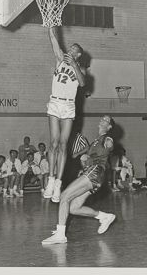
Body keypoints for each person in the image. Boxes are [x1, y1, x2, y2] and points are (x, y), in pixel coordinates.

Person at [41, 115, 116, 245]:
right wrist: (84, 160)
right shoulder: (95, 141)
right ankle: (103, 216)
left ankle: (60, 234)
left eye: (106, 120)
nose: (102, 120)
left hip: (95, 172)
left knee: (64, 195)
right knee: (73, 208)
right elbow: (91, 156)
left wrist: (110, 144)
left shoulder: (105, 138)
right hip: (94, 175)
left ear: (109, 127)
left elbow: (109, 145)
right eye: (102, 118)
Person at [44, 26, 86, 203]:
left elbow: (83, 83)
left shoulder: (80, 70)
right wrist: (50, 23)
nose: (70, 50)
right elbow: (53, 38)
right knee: (53, 143)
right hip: (55, 102)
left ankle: (59, 183)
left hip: (68, 106)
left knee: (63, 144)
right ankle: (51, 181)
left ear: (77, 56)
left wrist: (75, 65)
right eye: (71, 47)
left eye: (74, 50)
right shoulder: (60, 59)